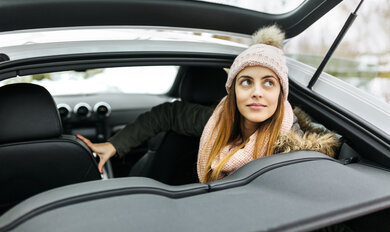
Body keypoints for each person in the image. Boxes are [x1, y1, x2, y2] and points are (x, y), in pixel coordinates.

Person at [78, 24, 340, 183]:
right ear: (233, 91)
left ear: (281, 93)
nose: (257, 92)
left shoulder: (298, 152)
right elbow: (167, 114)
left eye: (268, 83)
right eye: (246, 82)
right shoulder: (217, 119)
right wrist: (114, 144)